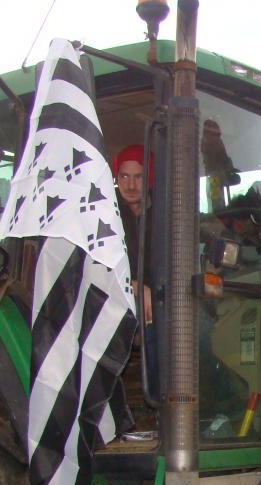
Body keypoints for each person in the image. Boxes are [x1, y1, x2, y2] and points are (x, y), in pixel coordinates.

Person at [113, 144, 159, 393]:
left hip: (158, 296)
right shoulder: (107, 214)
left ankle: (157, 398)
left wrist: (155, 288)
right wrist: (133, 284)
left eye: (139, 177)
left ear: (150, 178)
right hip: (115, 293)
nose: (130, 185)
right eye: (124, 177)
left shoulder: (165, 215)